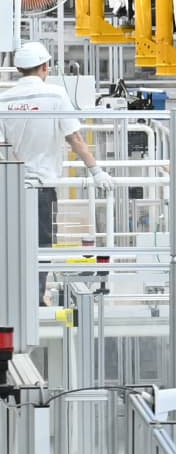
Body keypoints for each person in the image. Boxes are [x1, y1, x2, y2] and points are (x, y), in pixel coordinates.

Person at [0, 42, 115, 300]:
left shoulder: (4, 100)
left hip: (11, 187)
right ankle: (35, 299)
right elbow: (73, 137)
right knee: (41, 245)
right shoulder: (54, 95)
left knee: (10, 243)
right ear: (44, 67)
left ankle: (11, 299)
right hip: (42, 188)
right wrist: (96, 171)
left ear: (19, 69)